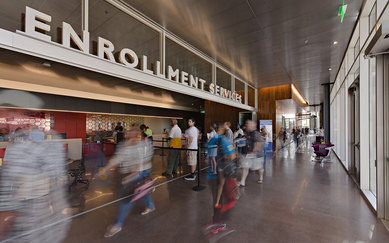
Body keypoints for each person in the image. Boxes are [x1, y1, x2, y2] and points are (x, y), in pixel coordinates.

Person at [0, 129, 70, 243]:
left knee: (27, 226)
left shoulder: (18, 150)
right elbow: (56, 177)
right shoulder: (46, 151)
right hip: (41, 198)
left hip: (25, 198)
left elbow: (10, 170)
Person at [96, 126, 155, 238]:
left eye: (130, 131)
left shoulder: (142, 144)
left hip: (139, 173)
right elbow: (117, 158)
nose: (126, 133)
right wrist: (105, 169)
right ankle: (150, 205)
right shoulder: (124, 145)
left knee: (126, 199)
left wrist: (130, 176)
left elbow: (142, 162)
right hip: (129, 175)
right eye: (127, 131)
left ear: (135, 133)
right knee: (141, 192)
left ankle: (117, 224)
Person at [204, 121, 237, 237]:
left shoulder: (210, 140)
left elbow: (206, 156)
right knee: (225, 200)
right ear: (221, 129)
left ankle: (216, 222)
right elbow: (232, 155)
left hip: (210, 175)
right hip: (221, 174)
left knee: (217, 200)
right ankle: (216, 224)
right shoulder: (224, 140)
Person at [239, 120, 265, 186]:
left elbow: (260, 142)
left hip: (256, 155)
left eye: (248, 124)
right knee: (245, 167)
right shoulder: (247, 132)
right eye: (246, 123)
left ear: (253, 125)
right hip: (248, 153)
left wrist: (254, 151)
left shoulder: (256, 133)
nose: (246, 125)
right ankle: (242, 182)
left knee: (258, 168)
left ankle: (260, 177)